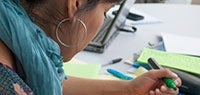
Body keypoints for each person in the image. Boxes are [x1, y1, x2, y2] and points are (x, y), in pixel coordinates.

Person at [0, 0, 181, 95]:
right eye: (105, 11)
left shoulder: (11, 28)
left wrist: (130, 89)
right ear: (76, 3)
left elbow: (52, 82)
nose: (103, 20)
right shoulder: (6, 82)